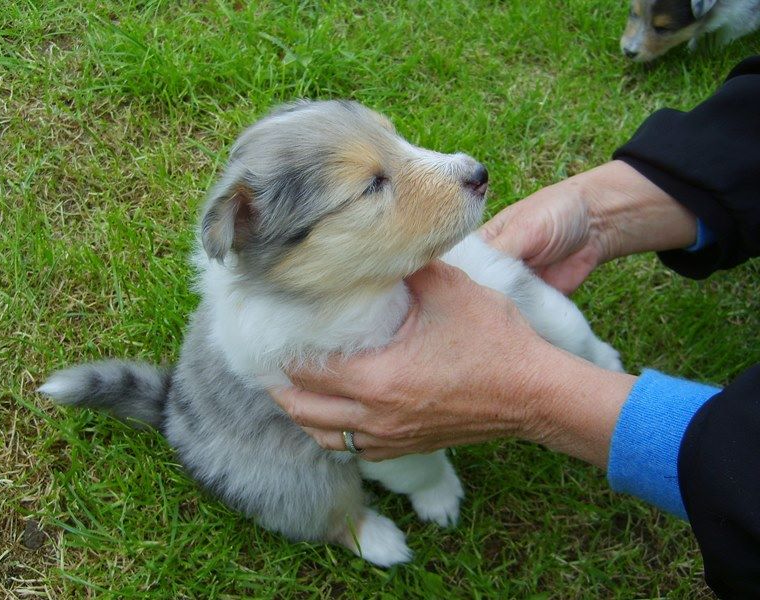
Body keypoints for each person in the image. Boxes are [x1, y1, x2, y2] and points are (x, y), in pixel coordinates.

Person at [270, 56, 760, 597]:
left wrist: (543, 390)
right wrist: (600, 213)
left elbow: (529, 299)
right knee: (292, 469)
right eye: (372, 186)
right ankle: (350, 520)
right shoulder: (282, 333)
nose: (462, 167)